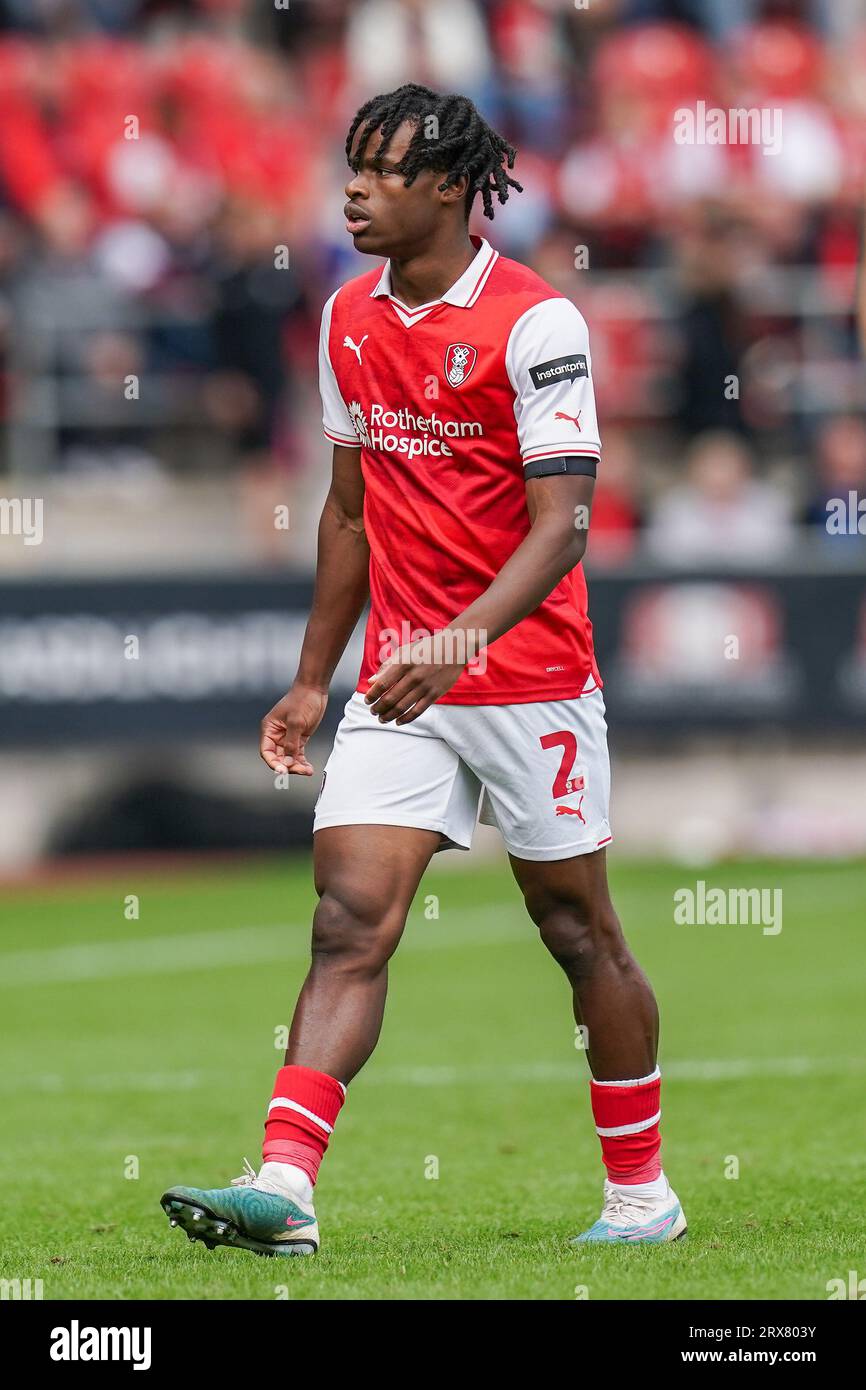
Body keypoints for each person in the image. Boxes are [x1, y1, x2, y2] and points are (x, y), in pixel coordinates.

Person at [161, 83, 686, 1255]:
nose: (353, 188)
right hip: (403, 680)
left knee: (574, 931)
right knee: (349, 919)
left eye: (384, 170)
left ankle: (641, 1195)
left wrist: (459, 640)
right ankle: (285, 1190)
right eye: (351, 166)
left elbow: (562, 527)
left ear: (450, 187)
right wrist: (312, 678)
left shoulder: (536, 322)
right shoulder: (344, 316)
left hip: (526, 676)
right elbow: (347, 513)